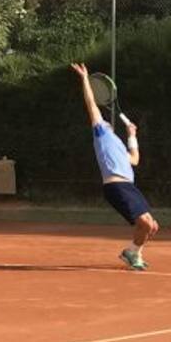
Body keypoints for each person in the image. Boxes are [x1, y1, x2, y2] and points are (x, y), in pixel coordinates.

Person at [71, 63, 159, 270]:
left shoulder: (118, 144)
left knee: (153, 226)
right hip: (116, 186)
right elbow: (91, 104)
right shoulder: (101, 133)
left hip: (129, 186)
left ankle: (132, 252)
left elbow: (135, 159)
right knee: (145, 224)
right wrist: (85, 79)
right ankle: (132, 253)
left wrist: (132, 136)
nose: (104, 121)